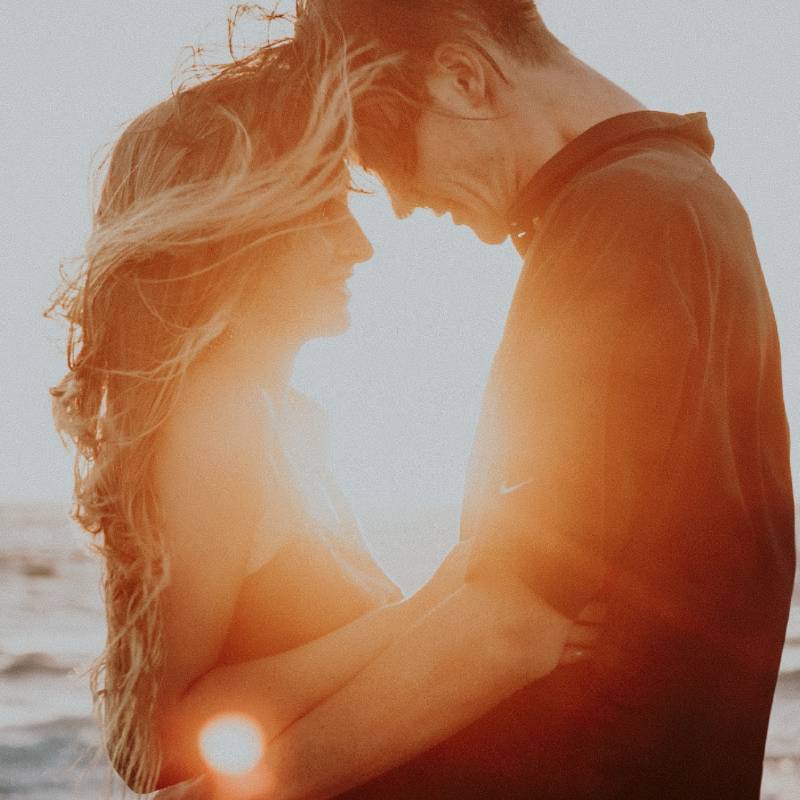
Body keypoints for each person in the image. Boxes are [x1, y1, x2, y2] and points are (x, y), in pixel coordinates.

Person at [249, 2, 795, 798]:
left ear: (463, 77)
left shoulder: (622, 216)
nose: (399, 204)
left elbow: (516, 620)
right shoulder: (680, 196)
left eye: (389, 152)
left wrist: (241, 789)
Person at [49, 8, 597, 797]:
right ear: (236, 234)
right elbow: (158, 741)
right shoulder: (218, 423)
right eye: (321, 210)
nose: (361, 243)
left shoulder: (297, 423)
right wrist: (441, 604)